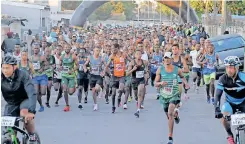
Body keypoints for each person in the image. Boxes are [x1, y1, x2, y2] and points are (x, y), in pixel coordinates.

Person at [1, 55, 39, 141]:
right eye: (3, 68)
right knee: (10, 132)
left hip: (25, 99)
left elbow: (31, 93)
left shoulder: (23, 75)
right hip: (11, 103)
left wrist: (31, 111)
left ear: (14, 67)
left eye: (7, 68)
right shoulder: (1, 77)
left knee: (24, 113)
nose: (5, 71)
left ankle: (32, 135)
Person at [155, 52, 189, 144]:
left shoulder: (177, 69)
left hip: (174, 94)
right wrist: (160, 83)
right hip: (164, 95)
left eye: (168, 58)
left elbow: (182, 77)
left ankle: (170, 137)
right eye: (165, 58)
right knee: (169, 116)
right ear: (163, 59)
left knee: (170, 112)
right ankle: (176, 116)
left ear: (171, 59)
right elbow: (155, 83)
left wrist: (186, 84)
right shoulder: (160, 70)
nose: (166, 60)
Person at [214, 56, 245, 144]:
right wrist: (216, 109)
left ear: (237, 68)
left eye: (231, 67)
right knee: (224, 114)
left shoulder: (243, 77)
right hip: (230, 103)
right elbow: (217, 95)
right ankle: (230, 135)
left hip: (243, 102)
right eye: (227, 67)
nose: (228, 70)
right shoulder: (223, 79)